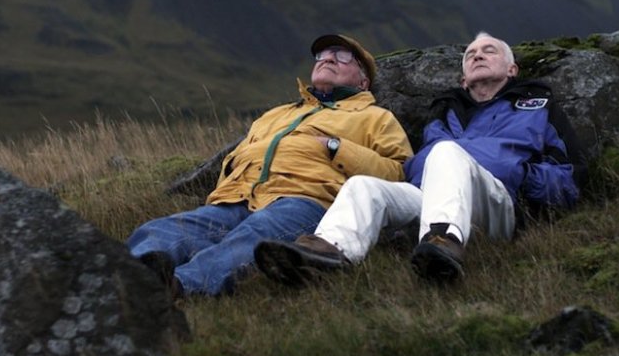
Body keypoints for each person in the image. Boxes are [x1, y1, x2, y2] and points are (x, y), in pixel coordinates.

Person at [254, 31, 585, 286]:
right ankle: (325, 252)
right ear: (463, 78)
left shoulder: (539, 105)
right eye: (470, 54)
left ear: (512, 68)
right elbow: (420, 167)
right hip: (435, 197)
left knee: (446, 152)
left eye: (489, 50)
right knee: (364, 186)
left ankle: (443, 242)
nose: (478, 55)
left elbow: (570, 180)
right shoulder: (444, 111)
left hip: (499, 204)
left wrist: (522, 175)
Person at [126, 34, 413, 297]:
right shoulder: (276, 114)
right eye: (324, 54)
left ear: (363, 82)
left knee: (255, 236)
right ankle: (124, 276)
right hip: (238, 199)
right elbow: (235, 158)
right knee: (164, 230)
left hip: (306, 200)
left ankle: (176, 288)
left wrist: (336, 147)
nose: (328, 58)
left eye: (342, 56)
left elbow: (396, 173)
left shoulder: (376, 117)